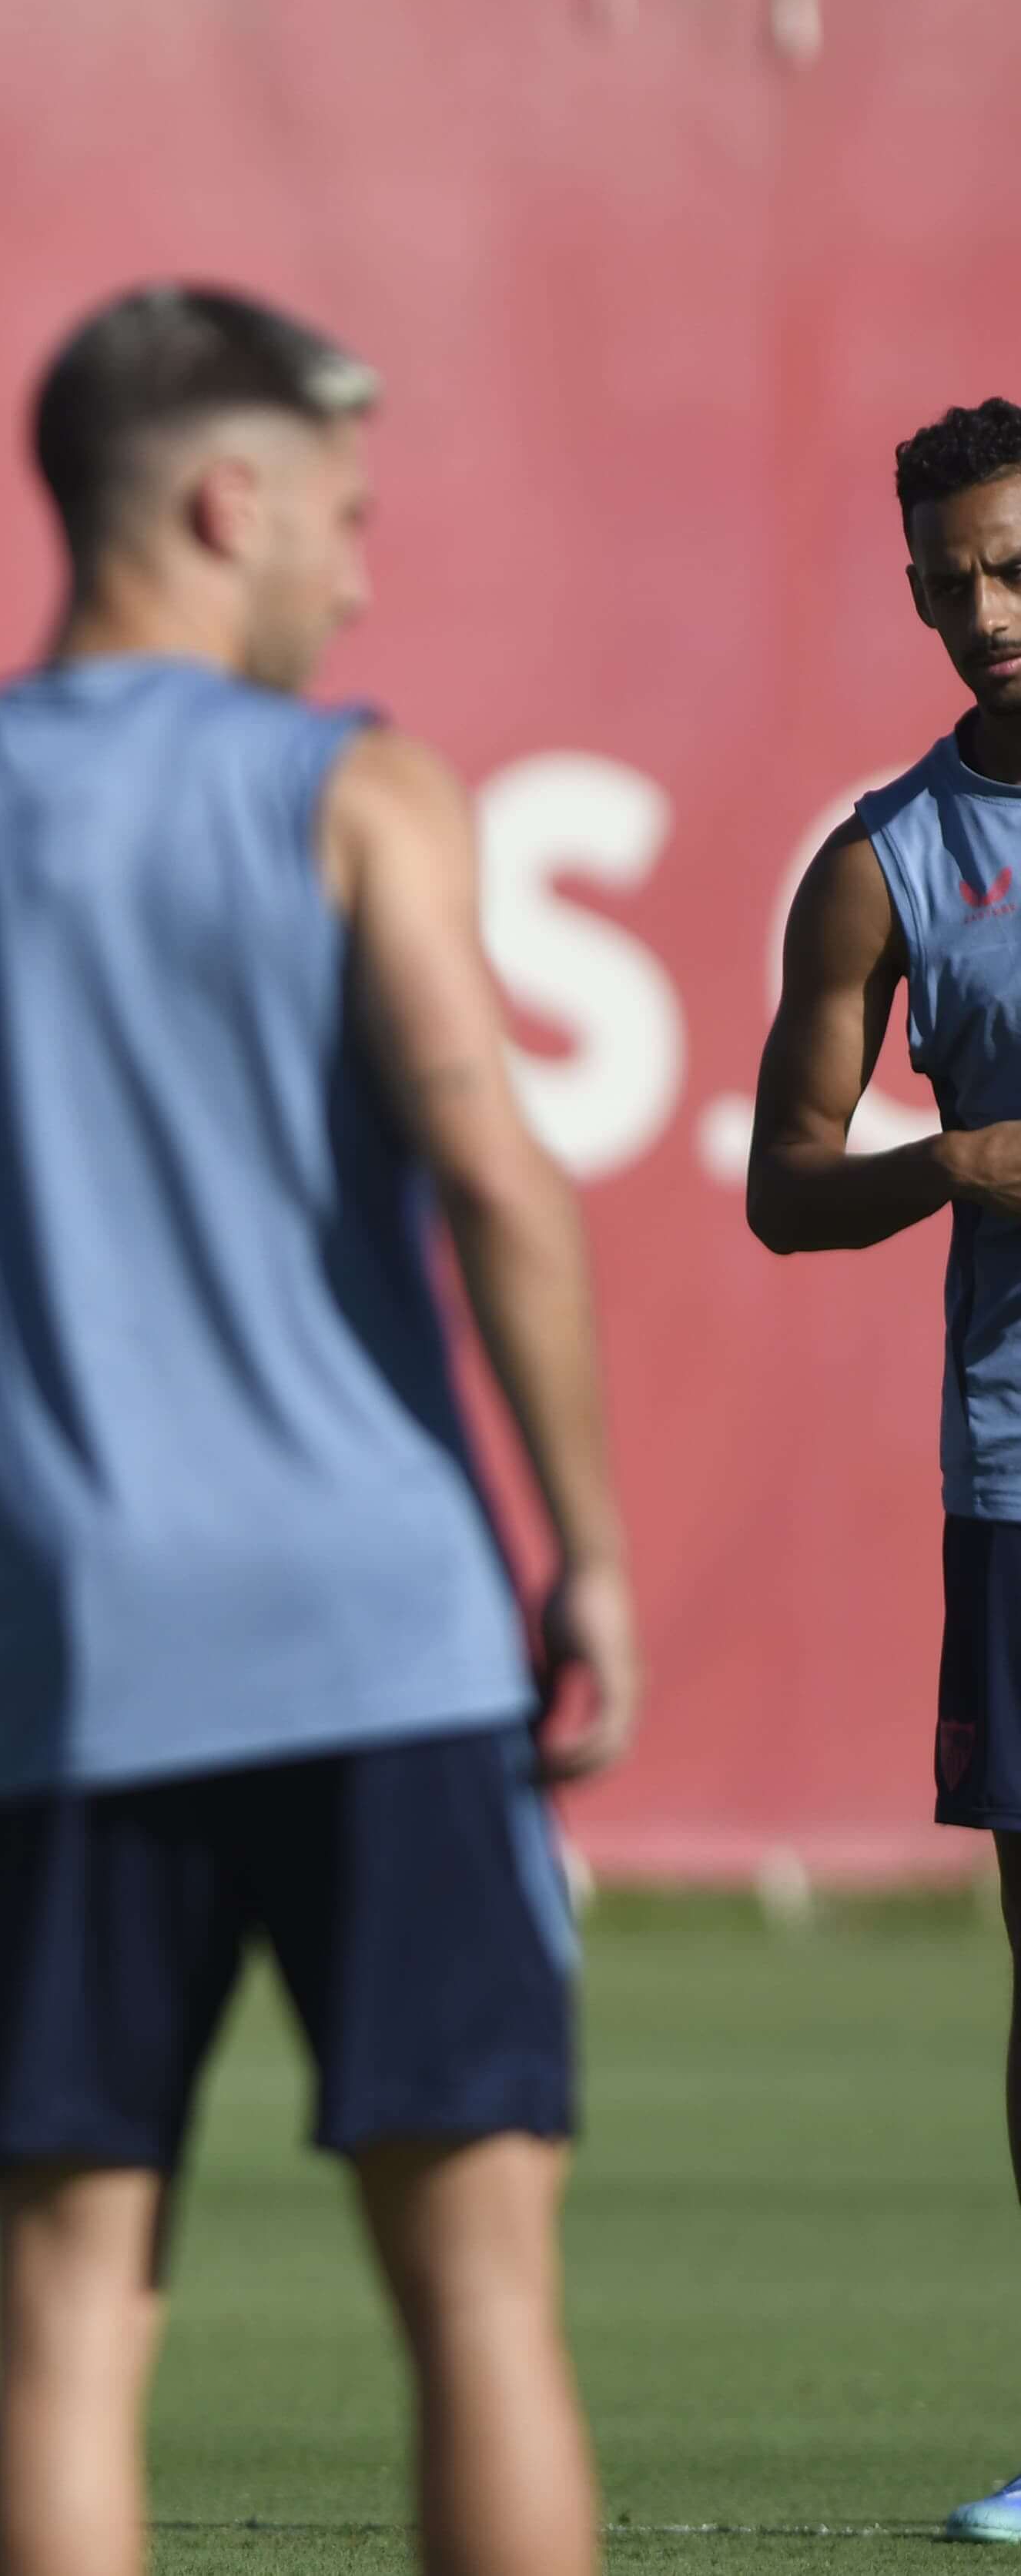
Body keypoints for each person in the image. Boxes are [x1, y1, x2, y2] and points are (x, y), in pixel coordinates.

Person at [0, 284, 642, 2576]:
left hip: (75, 1686)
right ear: (230, 504)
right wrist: (585, 1540)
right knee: (484, 2302)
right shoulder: (354, 789)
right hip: (389, 1653)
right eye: (344, 520)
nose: (361, 573)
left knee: (70, 2321)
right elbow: (496, 1171)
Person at [743, 396, 1021, 2544]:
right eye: (951, 586)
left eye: (1016, 569)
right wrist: (963, 1163)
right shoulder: (892, 860)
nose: (988, 617)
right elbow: (783, 1185)